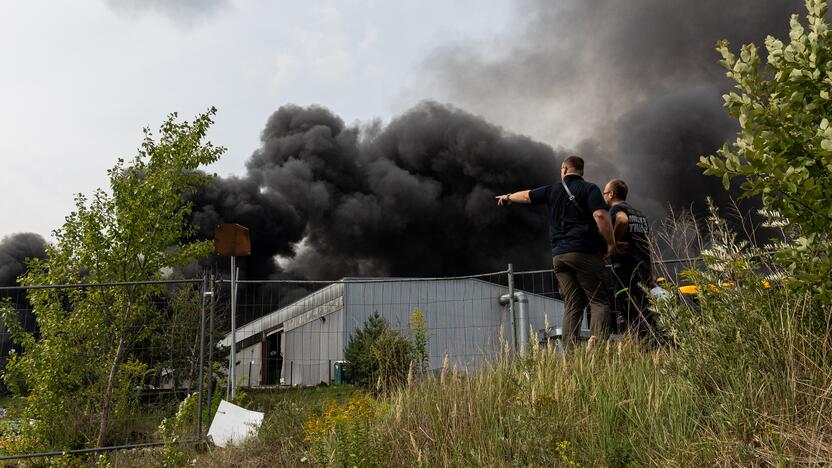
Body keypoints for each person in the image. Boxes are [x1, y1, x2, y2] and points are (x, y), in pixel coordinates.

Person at [496, 155, 616, 347]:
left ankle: (570, 355)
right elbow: (601, 214)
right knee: (598, 301)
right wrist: (610, 243)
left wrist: (508, 197)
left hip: (560, 256)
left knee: (573, 305)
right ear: (581, 171)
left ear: (564, 169)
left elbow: (527, 195)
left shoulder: (553, 190)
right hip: (584, 252)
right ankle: (598, 351)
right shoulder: (590, 189)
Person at [602, 178, 656, 340]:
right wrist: (651, 275)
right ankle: (649, 345)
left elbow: (622, 220)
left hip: (626, 272)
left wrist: (613, 243)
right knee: (645, 312)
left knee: (627, 312)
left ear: (611, 194)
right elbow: (648, 247)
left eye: (604, 193)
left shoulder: (616, 209)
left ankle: (634, 345)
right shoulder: (640, 215)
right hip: (644, 272)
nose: (603, 196)